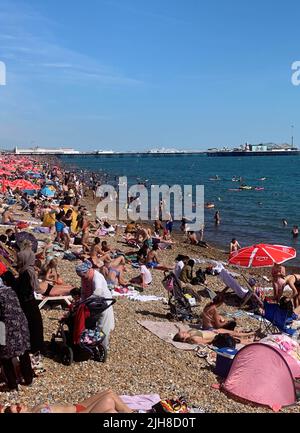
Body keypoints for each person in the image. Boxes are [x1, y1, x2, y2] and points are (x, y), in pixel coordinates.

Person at [0, 278, 33, 391]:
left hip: (4, 326)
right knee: (23, 351)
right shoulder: (10, 290)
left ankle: (12, 384)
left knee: (5, 355)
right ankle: (28, 378)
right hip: (20, 323)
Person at [76, 260, 115, 348]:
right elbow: (83, 292)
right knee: (90, 323)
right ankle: (89, 341)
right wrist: (81, 302)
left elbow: (97, 292)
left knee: (103, 326)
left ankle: (103, 346)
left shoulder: (96, 277)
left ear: (88, 271)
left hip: (103, 303)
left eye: (82, 275)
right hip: (93, 304)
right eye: (80, 276)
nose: (82, 278)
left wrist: (85, 301)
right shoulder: (85, 278)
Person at [15, 240, 44, 354]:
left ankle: (34, 348)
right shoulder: (29, 271)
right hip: (31, 304)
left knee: (32, 327)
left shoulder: (26, 273)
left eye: (19, 260)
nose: (18, 262)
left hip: (28, 304)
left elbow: (24, 291)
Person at [0, 389, 134, 413]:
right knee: (109, 401)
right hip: (81, 412)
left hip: (77, 407)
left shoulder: (31, 409)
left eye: (17, 404)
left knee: (109, 394)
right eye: (17, 409)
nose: (20, 405)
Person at [173, 327, 255, 345]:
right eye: (183, 334)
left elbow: (181, 330)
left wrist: (178, 328)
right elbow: (207, 342)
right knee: (233, 336)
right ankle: (250, 336)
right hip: (217, 337)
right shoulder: (193, 338)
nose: (183, 332)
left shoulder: (189, 332)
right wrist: (218, 338)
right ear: (184, 339)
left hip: (213, 331)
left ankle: (248, 334)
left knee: (230, 331)